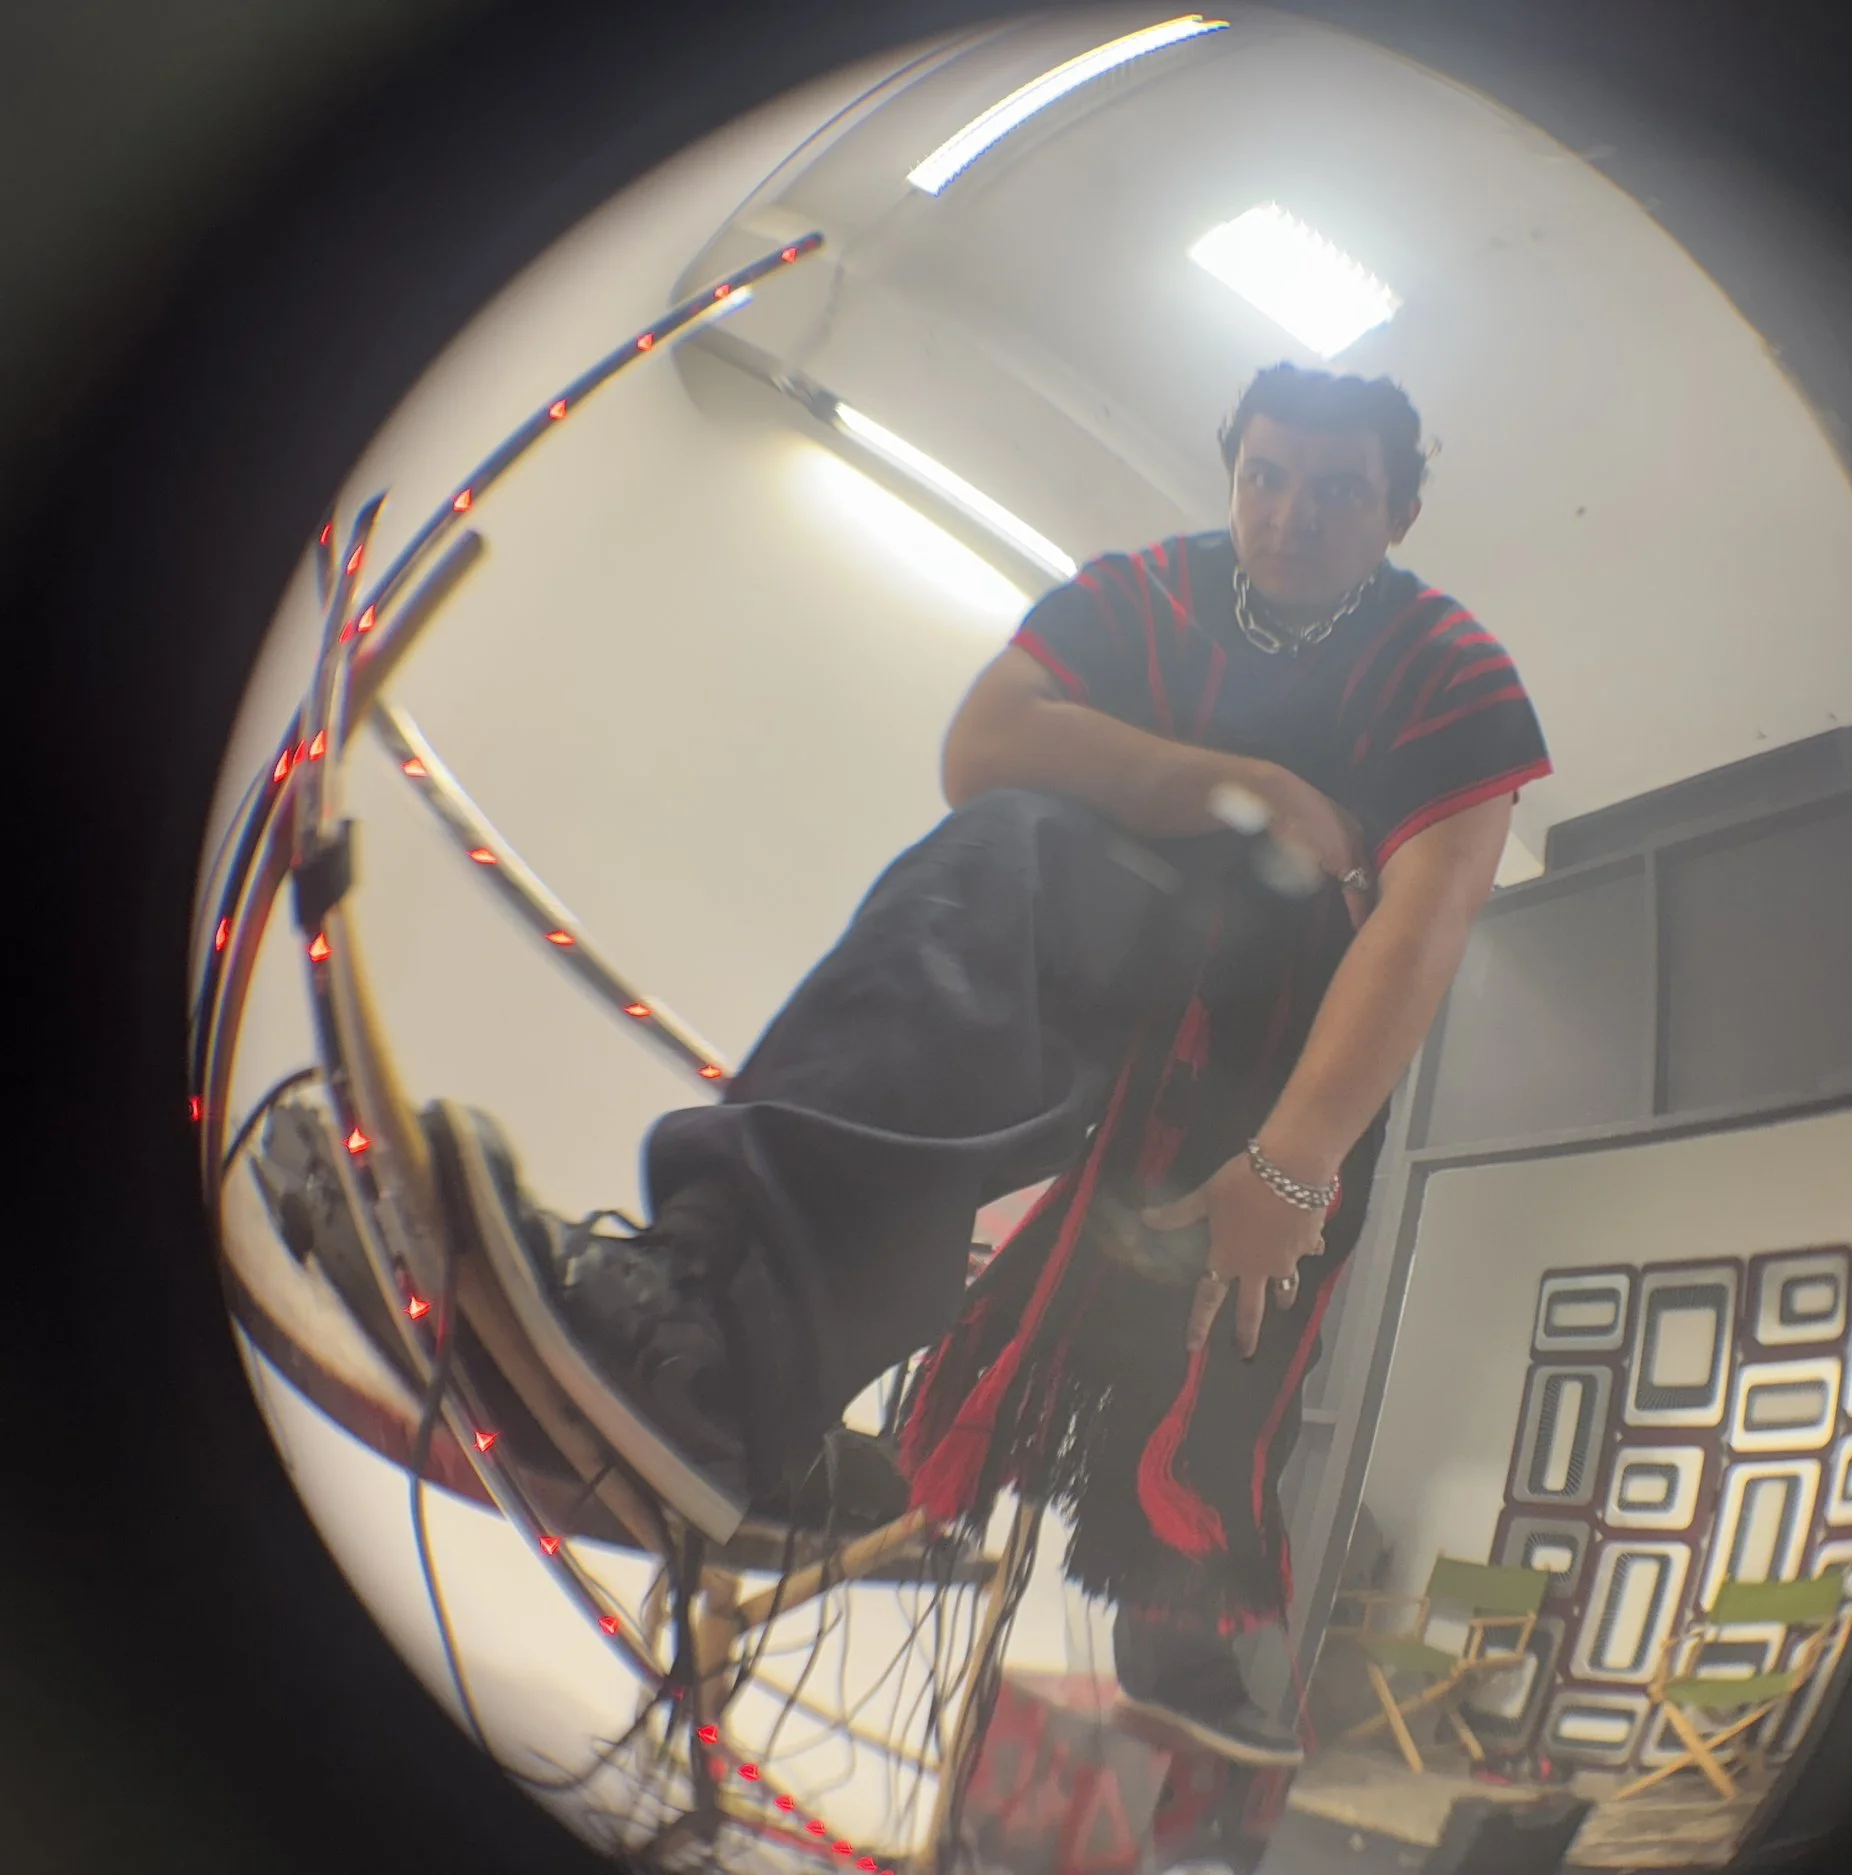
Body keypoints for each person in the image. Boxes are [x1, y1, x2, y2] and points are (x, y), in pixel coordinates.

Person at [439, 362, 1550, 1764]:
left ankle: (1179, 1625)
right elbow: (986, 747)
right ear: (1230, 470)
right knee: (1006, 851)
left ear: (1398, 514)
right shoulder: (1146, 587)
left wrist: (1295, 1157)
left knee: (1220, 1361)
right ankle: (711, 1346)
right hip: (1093, 968)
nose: (1292, 515)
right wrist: (1250, 788)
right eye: (1265, 476)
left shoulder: (1449, 662)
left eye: (1339, 494)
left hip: (1278, 1057)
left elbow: (1427, 916)